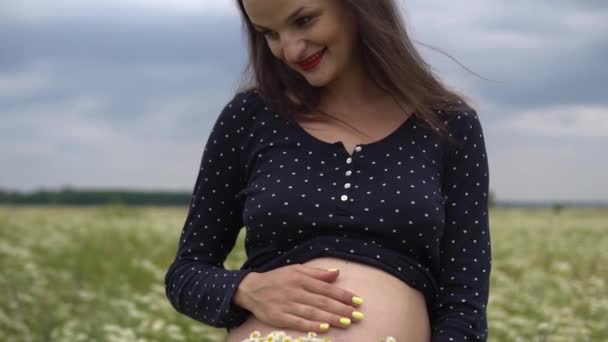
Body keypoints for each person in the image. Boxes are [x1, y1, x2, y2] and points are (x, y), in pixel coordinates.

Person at [164, 0, 492, 341]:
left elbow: (464, 303)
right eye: (269, 34)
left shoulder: (449, 124)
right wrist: (245, 288)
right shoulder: (249, 118)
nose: (290, 51)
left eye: (304, 21)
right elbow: (185, 274)